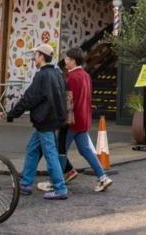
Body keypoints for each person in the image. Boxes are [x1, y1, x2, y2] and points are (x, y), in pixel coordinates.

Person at [44, 48, 113, 192]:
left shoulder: (72, 77)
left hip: (71, 121)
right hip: (84, 119)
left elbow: (69, 102)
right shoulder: (86, 76)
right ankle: (102, 177)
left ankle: (55, 182)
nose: (65, 61)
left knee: (60, 150)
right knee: (86, 150)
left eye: (67, 59)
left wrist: (59, 119)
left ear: (73, 61)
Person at [8, 44, 69, 200]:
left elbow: (30, 98)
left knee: (50, 154)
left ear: (42, 56)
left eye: (35, 55)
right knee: (32, 149)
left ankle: (60, 188)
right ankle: (26, 183)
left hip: (44, 121)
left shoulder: (42, 75)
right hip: (53, 119)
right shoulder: (57, 73)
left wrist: (13, 113)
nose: (33, 58)